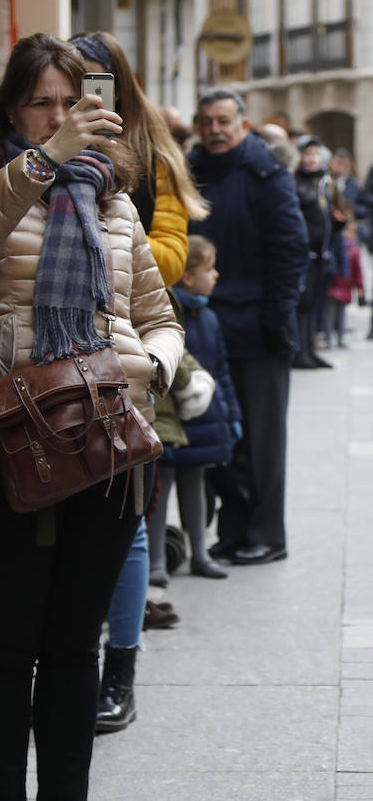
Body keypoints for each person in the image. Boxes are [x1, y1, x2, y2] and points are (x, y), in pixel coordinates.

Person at [0, 32, 184, 800]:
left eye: (73, 101)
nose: (60, 115)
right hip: (1, 438)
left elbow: (158, 314)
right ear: (11, 108)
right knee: (4, 646)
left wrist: (152, 366)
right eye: (42, 102)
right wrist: (41, 162)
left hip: (108, 438)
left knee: (74, 647)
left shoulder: (113, 195)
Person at [70, 31, 207, 733]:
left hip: (127, 352)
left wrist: (96, 236)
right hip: (48, 361)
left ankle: (119, 668)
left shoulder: (152, 156)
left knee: (124, 518)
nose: (86, 97)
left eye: (98, 83)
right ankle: (68, 657)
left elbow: (175, 255)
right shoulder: (39, 153)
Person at [188, 87, 309, 565]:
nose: (215, 130)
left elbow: (290, 250)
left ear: (243, 125)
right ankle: (234, 530)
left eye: (223, 121)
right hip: (203, 325)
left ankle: (266, 534)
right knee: (217, 439)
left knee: (261, 442)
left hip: (258, 329)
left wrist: (276, 319)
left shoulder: (267, 175)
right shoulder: (190, 172)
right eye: (206, 122)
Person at [149, 237, 243, 583]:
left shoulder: (210, 318)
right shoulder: (168, 313)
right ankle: (157, 561)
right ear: (187, 276)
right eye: (208, 269)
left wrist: (231, 415)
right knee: (163, 488)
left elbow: (221, 371)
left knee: (196, 486)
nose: (216, 275)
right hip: (172, 420)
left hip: (204, 418)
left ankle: (200, 553)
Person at [291, 136, 346, 368]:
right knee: (303, 304)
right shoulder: (295, 181)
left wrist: (338, 222)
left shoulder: (325, 181)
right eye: (307, 153)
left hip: (323, 253)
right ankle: (300, 352)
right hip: (305, 254)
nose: (312, 158)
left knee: (315, 305)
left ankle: (310, 349)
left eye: (315, 153)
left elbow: (331, 213)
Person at [326, 219, 365, 347]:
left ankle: (340, 337)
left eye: (352, 232)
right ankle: (328, 337)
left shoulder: (355, 251)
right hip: (333, 285)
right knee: (330, 313)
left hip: (346, 286)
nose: (348, 234)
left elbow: (358, 271)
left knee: (341, 314)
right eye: (347, 231)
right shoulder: (336, 247)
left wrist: (360, 289)